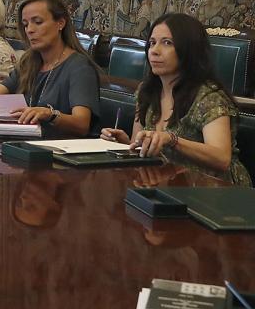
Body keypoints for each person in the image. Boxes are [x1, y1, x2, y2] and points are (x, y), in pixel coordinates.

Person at [101, 13, 251, 185]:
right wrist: (125, 143)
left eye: (167, 43)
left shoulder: (210, 96)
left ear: (189, 50)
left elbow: (221, 158)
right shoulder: (146, 91)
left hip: (216, 188)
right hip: (172, 182)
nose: (154, 51)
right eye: (152, 43)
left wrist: (172, 140)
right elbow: (140, 144)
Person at [0, 0, 101, 137]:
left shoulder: (80, 67)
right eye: (25, 24)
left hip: (60, 147)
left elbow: (82, 124)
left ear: (60, 23)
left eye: (38, 22)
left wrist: (49, 114)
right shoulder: (29, 61)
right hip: (26, 142)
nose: (30, 30)